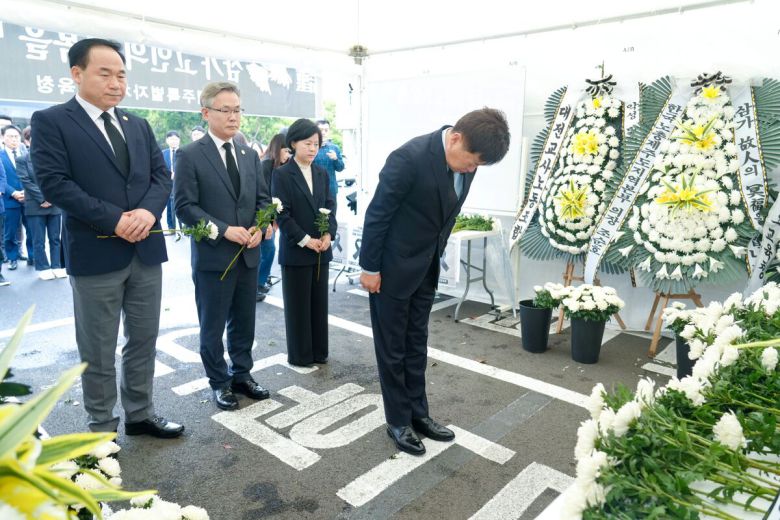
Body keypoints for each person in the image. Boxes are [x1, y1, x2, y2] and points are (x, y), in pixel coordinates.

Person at [31, 38, 183, 438]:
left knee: (144, 339)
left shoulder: (137, 124)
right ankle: (101, 428)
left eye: (121, 75)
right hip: (96, 251)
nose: (116, 83)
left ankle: (141, 412)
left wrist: (147, 212)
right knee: (97, 347)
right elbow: (55, 183)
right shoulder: (52, 121)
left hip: (145, 248)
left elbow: (161, 177)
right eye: (106, 74)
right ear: (77, 73)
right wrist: (115, 220)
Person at [359, 108, 510, 455]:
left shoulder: (467, 163)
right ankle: (398, 421)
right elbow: (378, 213)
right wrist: (370, 268)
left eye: (477, 166)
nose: (471, 169)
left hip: (426, 269)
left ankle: (419, 413)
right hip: (391, 270)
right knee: (393, 349)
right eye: (470, 162)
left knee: (416, 345)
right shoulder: (408, 158)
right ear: (455, 138)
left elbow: (445, 215)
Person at [175, 81, 272, 411]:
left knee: (244, 321)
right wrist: (224, 231)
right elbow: (184, 207)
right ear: (206, 113)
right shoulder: (190, 155)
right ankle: (219, 381)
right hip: (214, 256)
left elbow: (262, 199)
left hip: (248, 255)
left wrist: (260, 226)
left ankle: (242, 373)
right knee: (213, 324)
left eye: (237, 110)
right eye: (225, 110)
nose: (234, 117)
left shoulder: (249, 154)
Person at [272, 119, 336, 366]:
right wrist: (306, 240)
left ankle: (319, 352)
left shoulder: (321, 173)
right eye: (307, 143)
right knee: (298, 306)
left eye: (316, 144)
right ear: (293, 143)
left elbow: (330, 206)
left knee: (319, 304)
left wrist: (328, 234)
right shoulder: (282, 174)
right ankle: (300, 355)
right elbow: (282, 214)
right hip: (297, 249)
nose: (312, 148)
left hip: (321, 249)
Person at [16, 136, 65, 281]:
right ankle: (43, 268)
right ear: (28, 141)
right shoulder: (22, 159)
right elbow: (25, 180)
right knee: (38, 239)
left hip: (54, 203)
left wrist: (50, 197)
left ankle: (57, 266)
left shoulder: (53, 158)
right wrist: (42, 198)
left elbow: (58, 178)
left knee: (55, 238)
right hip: (35, 204)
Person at [256, 133, 290, 302]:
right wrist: (268, 221)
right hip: (263, 217)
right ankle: (256, 285)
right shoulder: (266, 165)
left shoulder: (281, 166)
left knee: (268, 251)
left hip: (273, 216)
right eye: (286, 151)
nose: (288, 155)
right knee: (267, 250)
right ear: (278, 149)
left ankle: (260, 282)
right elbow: (263, 195)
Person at [1, 125, 33, 270]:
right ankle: (12, 257)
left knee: (32, 229)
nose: (14, 139)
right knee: (10, 232)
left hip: (29, 198)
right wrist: (13, 192)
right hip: (9, 199)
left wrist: (26, 191)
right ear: (3, 138)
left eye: (16, 136)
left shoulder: (27, 153)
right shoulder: (0, 156)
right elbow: (1, 179)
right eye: (10, 136)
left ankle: (32, 256)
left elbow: (33, 175)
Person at [313, 119, 344, 206]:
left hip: (331, 189)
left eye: (326, 130)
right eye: (320, 130)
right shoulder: (311, 148)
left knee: (331, 213)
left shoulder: (334, 148)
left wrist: (336, 159)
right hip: (314, 189)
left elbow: (340, 168)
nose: (323, 133)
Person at [162, 130, 180, 233]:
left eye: (175, 139)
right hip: (168, 183)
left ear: (179, 140)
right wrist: (169, 174)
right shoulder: (163, 153)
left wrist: (177, 174)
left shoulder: (184, 152)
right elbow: (161, 168)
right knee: (169, 204)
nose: (173, 141)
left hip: (181, 182)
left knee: (182, 204)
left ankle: (184, 227)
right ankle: (171, 227)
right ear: (167, 140)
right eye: (171, 139)